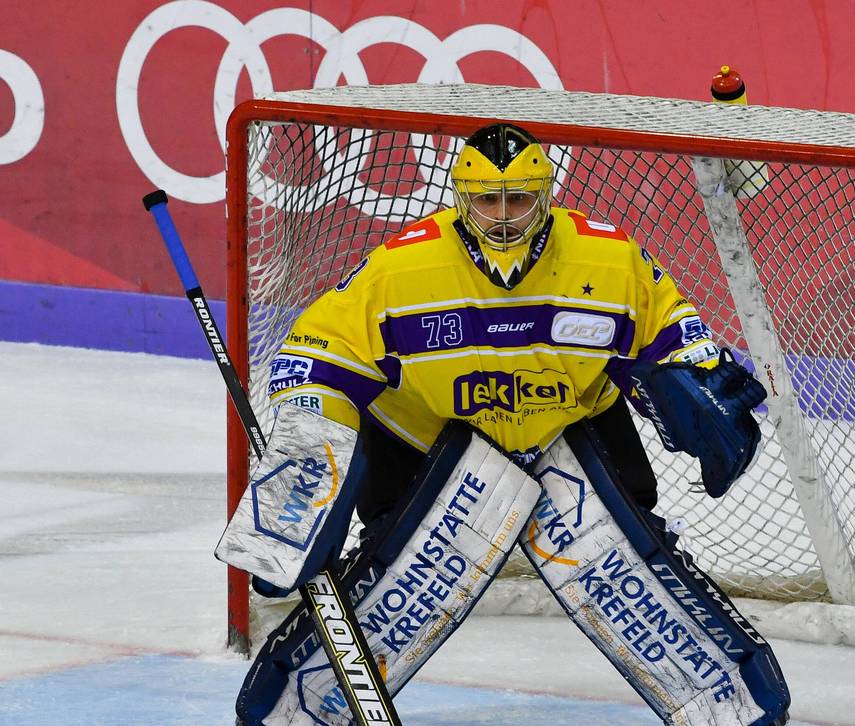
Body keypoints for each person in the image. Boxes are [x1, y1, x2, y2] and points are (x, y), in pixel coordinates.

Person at [222, 123, 789, 725]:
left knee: (638, 572)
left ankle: (740, 709)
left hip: (569, 429)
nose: (502, 217)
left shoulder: (609, 256)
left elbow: (676, 332)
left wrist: (699, 378)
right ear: (460, 198)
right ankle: (288, 713)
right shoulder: (400, 268)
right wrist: (310, 476)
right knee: (393, 587)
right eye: (487, 200)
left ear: (545, 195)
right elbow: (311, 358)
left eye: (517, 198)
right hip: (429, 438)